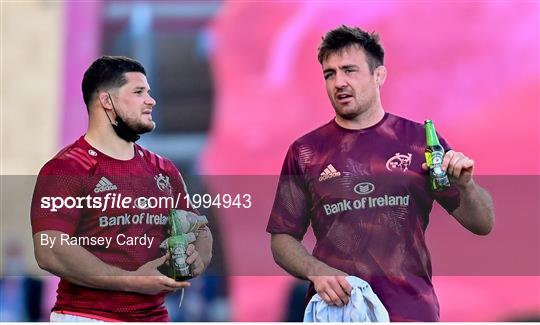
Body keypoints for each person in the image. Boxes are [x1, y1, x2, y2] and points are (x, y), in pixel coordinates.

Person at [266, 25, 494, 322]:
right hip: (339, 312)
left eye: (349, 70)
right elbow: (282, 239)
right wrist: (317, 271)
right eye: (329, 74)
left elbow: (482, 223)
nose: (339, 82)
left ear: (379, 75)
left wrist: (466, 186)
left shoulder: (419, 140)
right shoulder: (306, 151)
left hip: (412, 311)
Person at [31, 56, 213, 322]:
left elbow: (199, 229)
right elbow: (49, 250)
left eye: (148, 92)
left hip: (155, 317)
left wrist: (198, 260)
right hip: (87, 316)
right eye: (139, 92)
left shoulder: (162, 168)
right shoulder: (66, 169)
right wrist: (131, 281)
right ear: (107, 102)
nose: (151, 100)